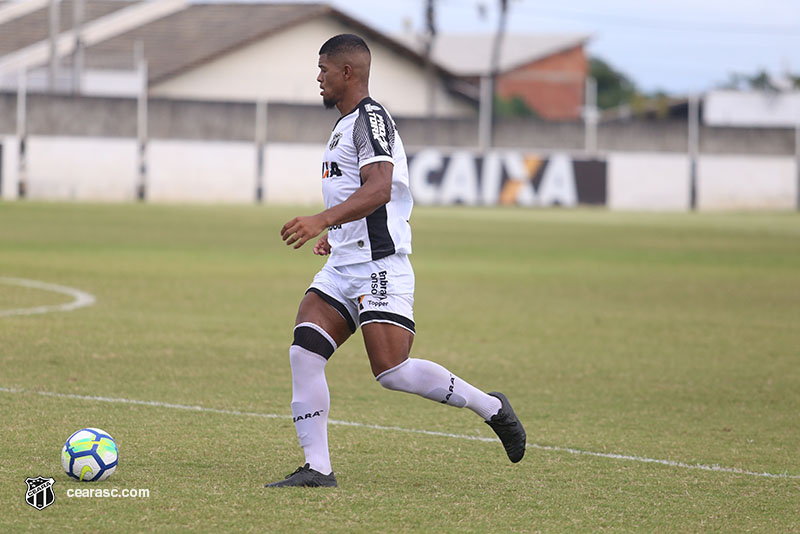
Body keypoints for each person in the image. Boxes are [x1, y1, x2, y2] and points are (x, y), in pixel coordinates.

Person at [266, 34, 526, 488]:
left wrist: (321, 219)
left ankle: (491, 407)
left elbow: (380, 188)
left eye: (324, 69)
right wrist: (337, 234)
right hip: (344, 264)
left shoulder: (371, 119)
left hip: (380, 265)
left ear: (347, 72)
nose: (319, 77)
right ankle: (318, 469)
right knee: (304, 352)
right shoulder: (344, 124)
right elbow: (356, 194)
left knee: (391, 371)